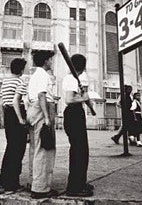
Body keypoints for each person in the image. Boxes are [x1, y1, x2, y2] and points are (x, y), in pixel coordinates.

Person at [27, 51, 58, 199]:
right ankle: (40, 188)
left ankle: (35, 183)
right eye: (50, 60)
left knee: (36, 148)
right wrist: (46, 117)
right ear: (46, 61)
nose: (51, 62)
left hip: (35, 109)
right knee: (44, 149)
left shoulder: (36, 75)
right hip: (42, 109)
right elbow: (41, 95)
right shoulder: (42, 75)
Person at [62, 54, 94, 197]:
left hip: (75, 114)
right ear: (83, 66)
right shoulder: (72, 79)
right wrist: (83, 98)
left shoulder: (73, 79)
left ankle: (80, 182)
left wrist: (84, 99)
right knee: (79, 151)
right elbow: (69, 99)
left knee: (81, 150)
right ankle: (74, 187)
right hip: (73, 114)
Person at [0, 58, 28, 192]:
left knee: (10, 147)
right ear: (21, 69)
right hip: (16, 114)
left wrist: (4, 119)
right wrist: (21, 119)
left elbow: (1, 102)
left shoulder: (5, 81)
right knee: (18, 149)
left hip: (8, 115)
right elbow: (16, 102)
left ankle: (4, 179)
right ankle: (12, 181)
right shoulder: (20, 81)